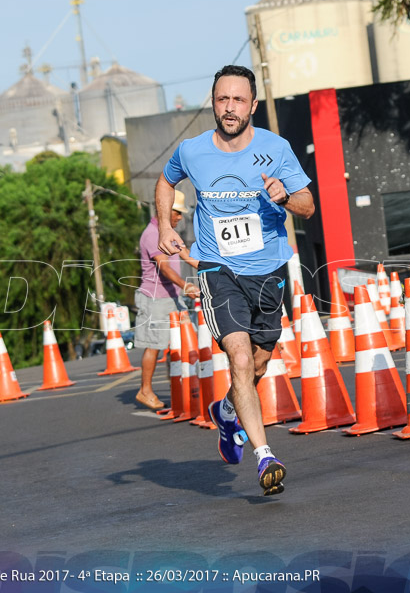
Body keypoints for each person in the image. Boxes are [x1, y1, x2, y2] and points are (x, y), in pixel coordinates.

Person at [155, 64, 314, 496]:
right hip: (216, 269)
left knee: (261, 361)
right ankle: (265, 456)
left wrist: (286, 196)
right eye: (222, 99)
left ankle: (226, 412)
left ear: (253, 105)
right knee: (240, 359)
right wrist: (166, 228)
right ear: (213, 102)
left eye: (238, 100)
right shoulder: (191, 151)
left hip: (268, 269)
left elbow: (308, 205)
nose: (230, 108)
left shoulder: (276, 148)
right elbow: (165, 183)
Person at [133, 191, 199, 409]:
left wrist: (212, 269)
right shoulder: (152, 234)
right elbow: (164, 267)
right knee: (155, 345)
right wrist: (185, 285)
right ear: (164, 209)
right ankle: (145, 391)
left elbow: (186, 254)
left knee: (184, 342)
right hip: (155, 300)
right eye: (177, 212)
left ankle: (181, 388)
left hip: (172, 297)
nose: (180, 217)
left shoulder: (168, 233)